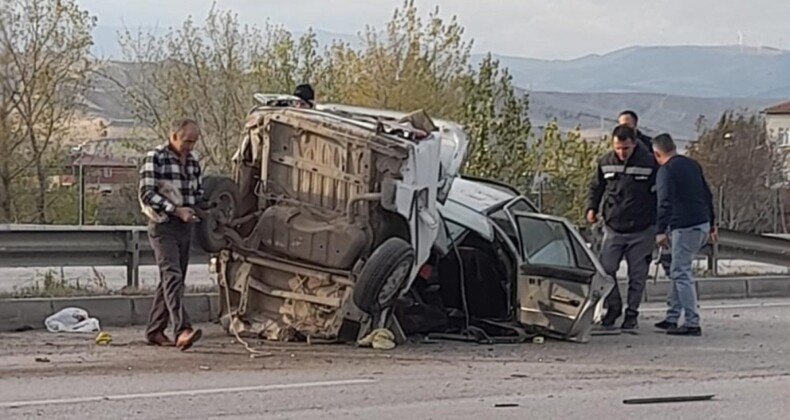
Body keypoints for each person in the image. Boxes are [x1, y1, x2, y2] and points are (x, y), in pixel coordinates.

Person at [138, 118, 205, 351]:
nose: (191, 146)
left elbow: (198, 192)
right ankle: (182, 329)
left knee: (171, 279)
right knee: (173, 276)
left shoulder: (194, 162)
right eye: (187, 141)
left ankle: (155, 330)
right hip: (163, 225)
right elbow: (147, 193)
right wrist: (175, 210)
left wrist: (198, 210)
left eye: (194, 142)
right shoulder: (155, 157)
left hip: (185, 227)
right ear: (174, 136)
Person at [586, 125, 658, 331]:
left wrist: (660, 225)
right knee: (606, 270)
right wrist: (591, 208)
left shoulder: (649, 163)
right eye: (618, 148)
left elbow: (660, 194)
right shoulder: (606, 162)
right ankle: (614, 307)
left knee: (637, 275)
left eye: (625, 148)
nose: (621, 152)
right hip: (613, 228)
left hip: (641, 230)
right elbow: (596, 187)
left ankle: (632, 313)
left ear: (634, 144)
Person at [652, 133, 716, 336]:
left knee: (681, 272)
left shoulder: (666, 170)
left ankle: (691, 321)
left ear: (657, 153)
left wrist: (660, 230)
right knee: (678, 268)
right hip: (701, 223)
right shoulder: (692, 164)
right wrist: (712, 223)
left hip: (684, 226)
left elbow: (664, 201)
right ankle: (672, 317)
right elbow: (707, 194)